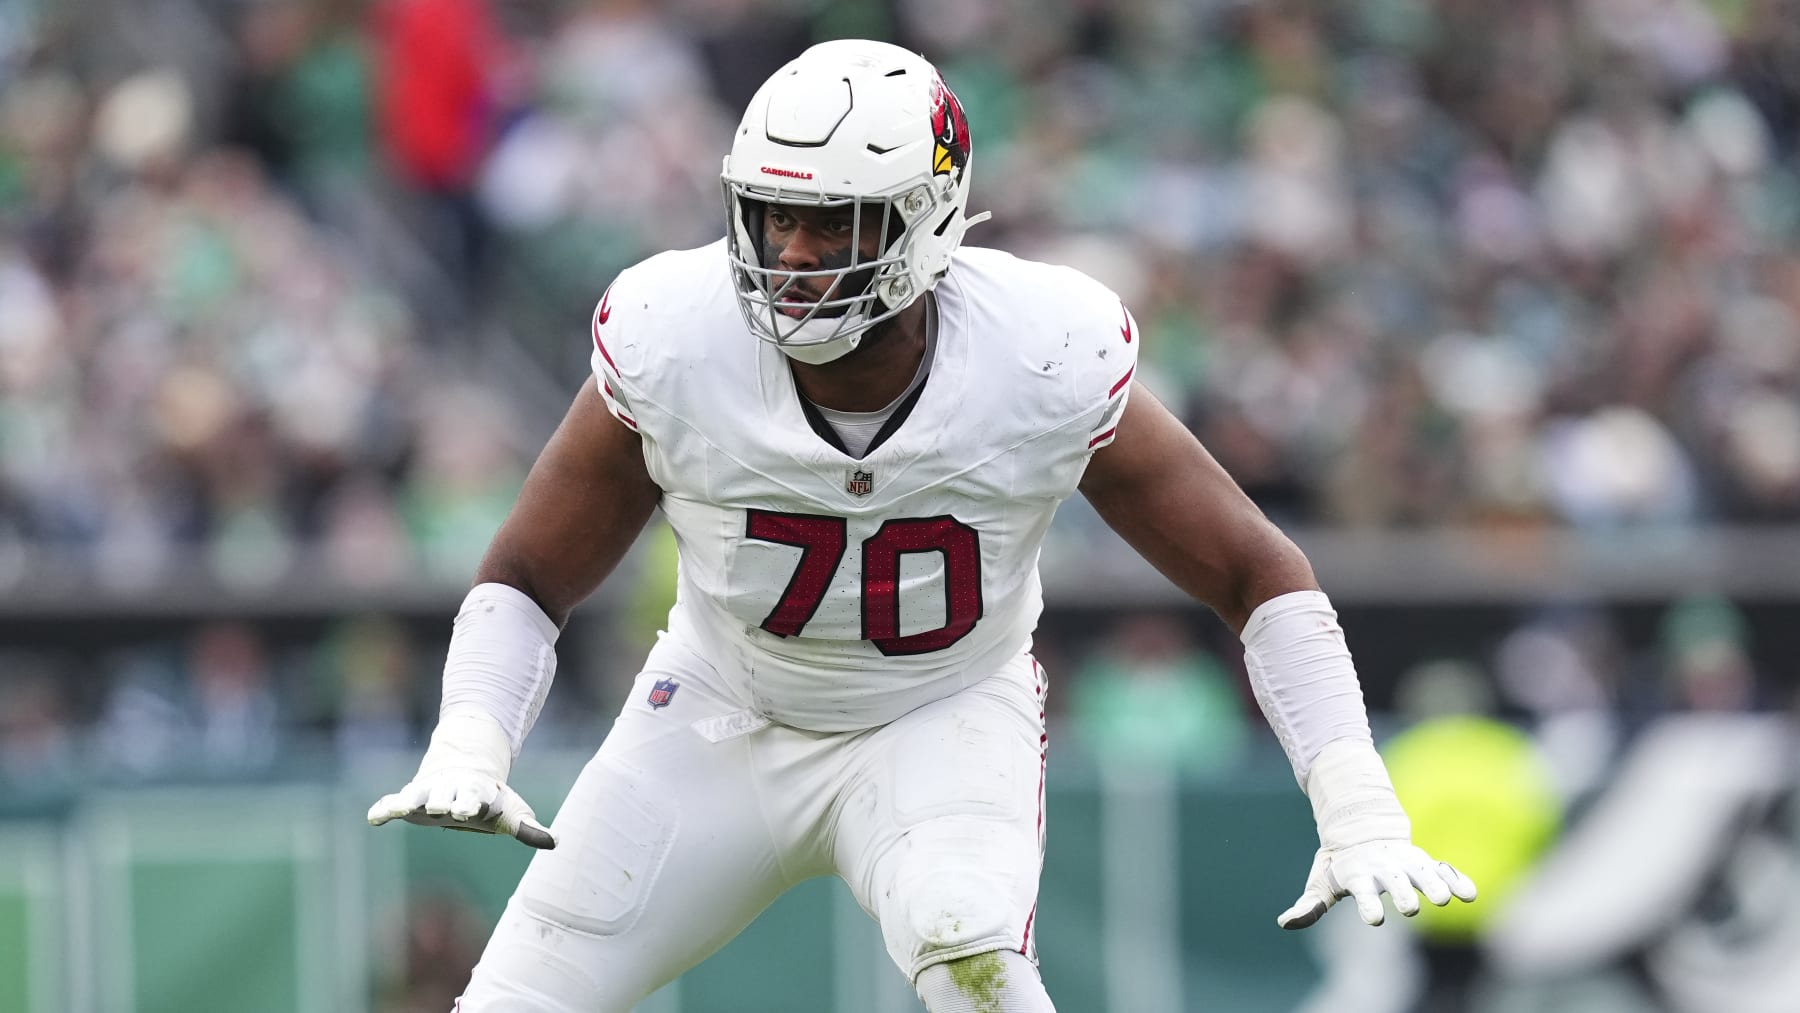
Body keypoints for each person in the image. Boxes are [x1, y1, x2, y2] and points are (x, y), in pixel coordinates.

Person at [367, 38, 1477, 1012]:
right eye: (775, 213)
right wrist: (472, 733)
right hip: (718, 710)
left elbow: (1255, 569)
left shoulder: (1041, 353)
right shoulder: (675, 332)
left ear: (924, 217)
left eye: (832, 220)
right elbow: (528, 570)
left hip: (940, 712)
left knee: (969, 947)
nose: (793, 253)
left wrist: (1355, 800)